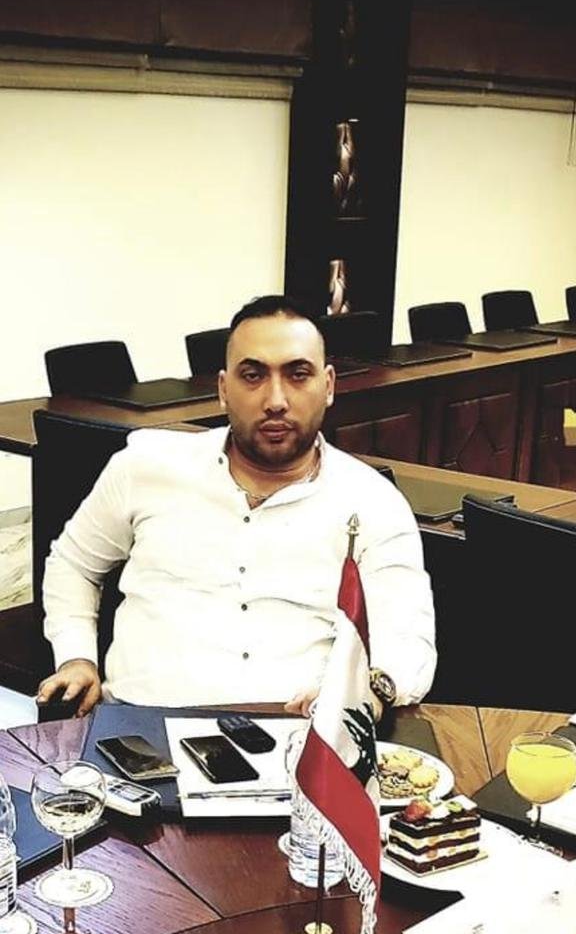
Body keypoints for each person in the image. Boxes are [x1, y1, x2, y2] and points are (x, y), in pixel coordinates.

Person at [37, 295, 437, 717]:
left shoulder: (373, 500)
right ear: (224, 389)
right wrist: (76, 656)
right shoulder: (145, 466)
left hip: (297, 731)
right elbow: (73, 563)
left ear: (329, 386)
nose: (276, 400)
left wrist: (367, 692)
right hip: (138, 725)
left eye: (298, 374)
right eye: (253, 375)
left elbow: (408, 638)